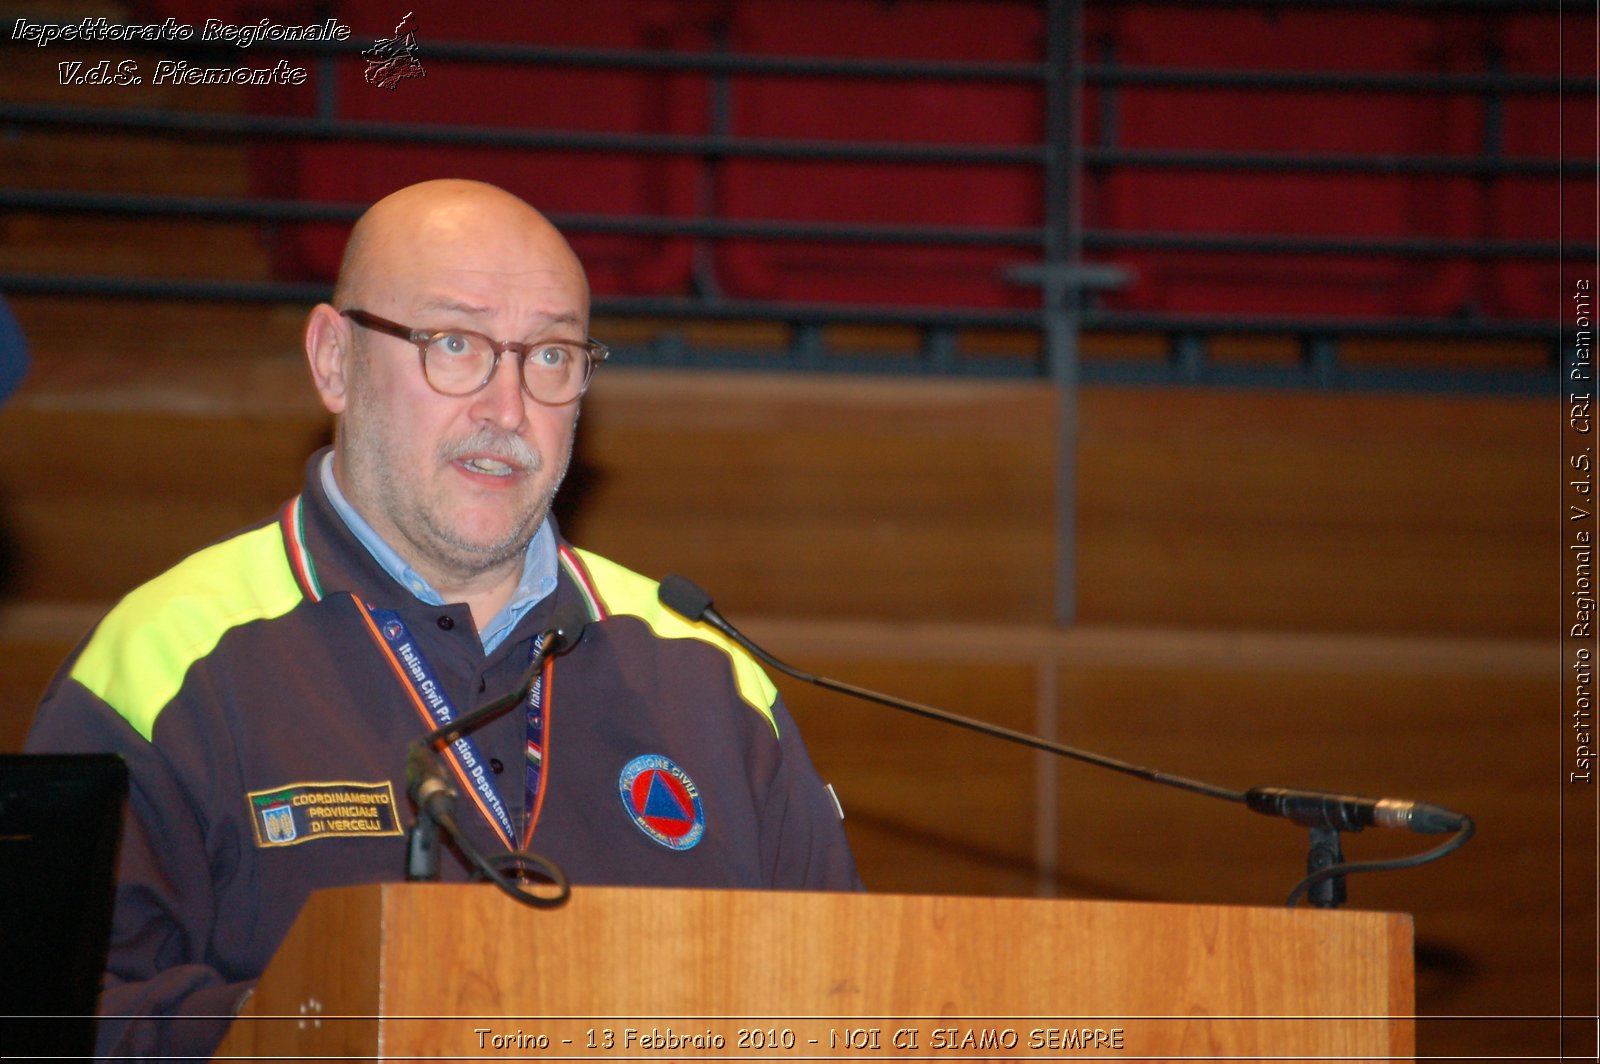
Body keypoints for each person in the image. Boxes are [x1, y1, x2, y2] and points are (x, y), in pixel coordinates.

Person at [25, 179, 861, 1059]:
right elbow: (62, 1021)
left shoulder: (709, 675)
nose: (507, 410)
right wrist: (364, 1022)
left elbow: (849, 1008)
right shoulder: (163, 662)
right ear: (335, 360)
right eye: (454, 344)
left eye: (549, 355)